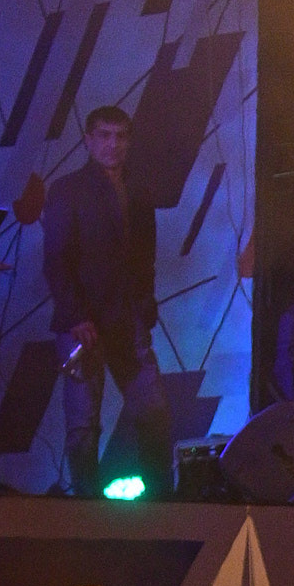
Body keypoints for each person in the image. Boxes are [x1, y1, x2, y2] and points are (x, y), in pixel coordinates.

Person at [41, 104, 173, 499]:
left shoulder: (139, 189)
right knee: (83, 425)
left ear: (128, 142)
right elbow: (56, 259)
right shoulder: (68, 189)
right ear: (89, 140)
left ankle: (161, 506)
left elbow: (145, 254)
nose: (112, 144)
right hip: (84, 325)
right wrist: (76, 315)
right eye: (104, 135)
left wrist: (145, 304)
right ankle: (86, 508)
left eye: (119, 137)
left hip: (127, 320)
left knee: (153, 414)